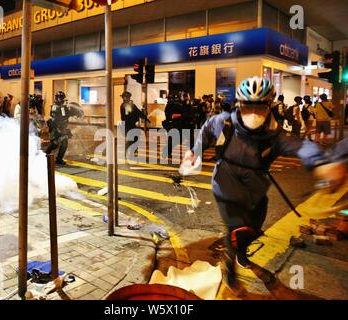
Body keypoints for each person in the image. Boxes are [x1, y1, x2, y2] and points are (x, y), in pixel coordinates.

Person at [182, 76, 342, 289]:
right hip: (226, 181)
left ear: (269, 106)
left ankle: (239, 252)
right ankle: (231, 264)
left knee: (256, 225)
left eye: (261, 106)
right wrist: (194, 152)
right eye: (248, 106)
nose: (254, 112)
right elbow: (206, 132)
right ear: (240, 105)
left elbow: (301, 146)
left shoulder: (275, 134)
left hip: (256, 185)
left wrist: (322, 163)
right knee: (237, 228)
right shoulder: (224, 122)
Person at [45, 91, 82, 165]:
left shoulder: (62, 106)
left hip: (62, 128)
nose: (61, 99)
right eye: (59, 97)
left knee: (64, 143)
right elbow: (59, 117)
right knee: (54, 144)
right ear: (56, 98)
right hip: (55, 128)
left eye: (61, 98)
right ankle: (45, 155)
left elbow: (65, 115)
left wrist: (74, 112)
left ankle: (59, 159)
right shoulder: (56, 107)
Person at [120, 91, 149, 157]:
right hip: (127, 125)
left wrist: (145, 117)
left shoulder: (131, 105)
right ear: (123, 98)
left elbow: (138, 112)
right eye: (125, 97)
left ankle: (134, 149)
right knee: (131, 139)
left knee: (136, 137)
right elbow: (126, 116)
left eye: (128, 97)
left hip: (133, 125)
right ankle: (126, 151)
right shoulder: (124, 105)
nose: (127, 98)